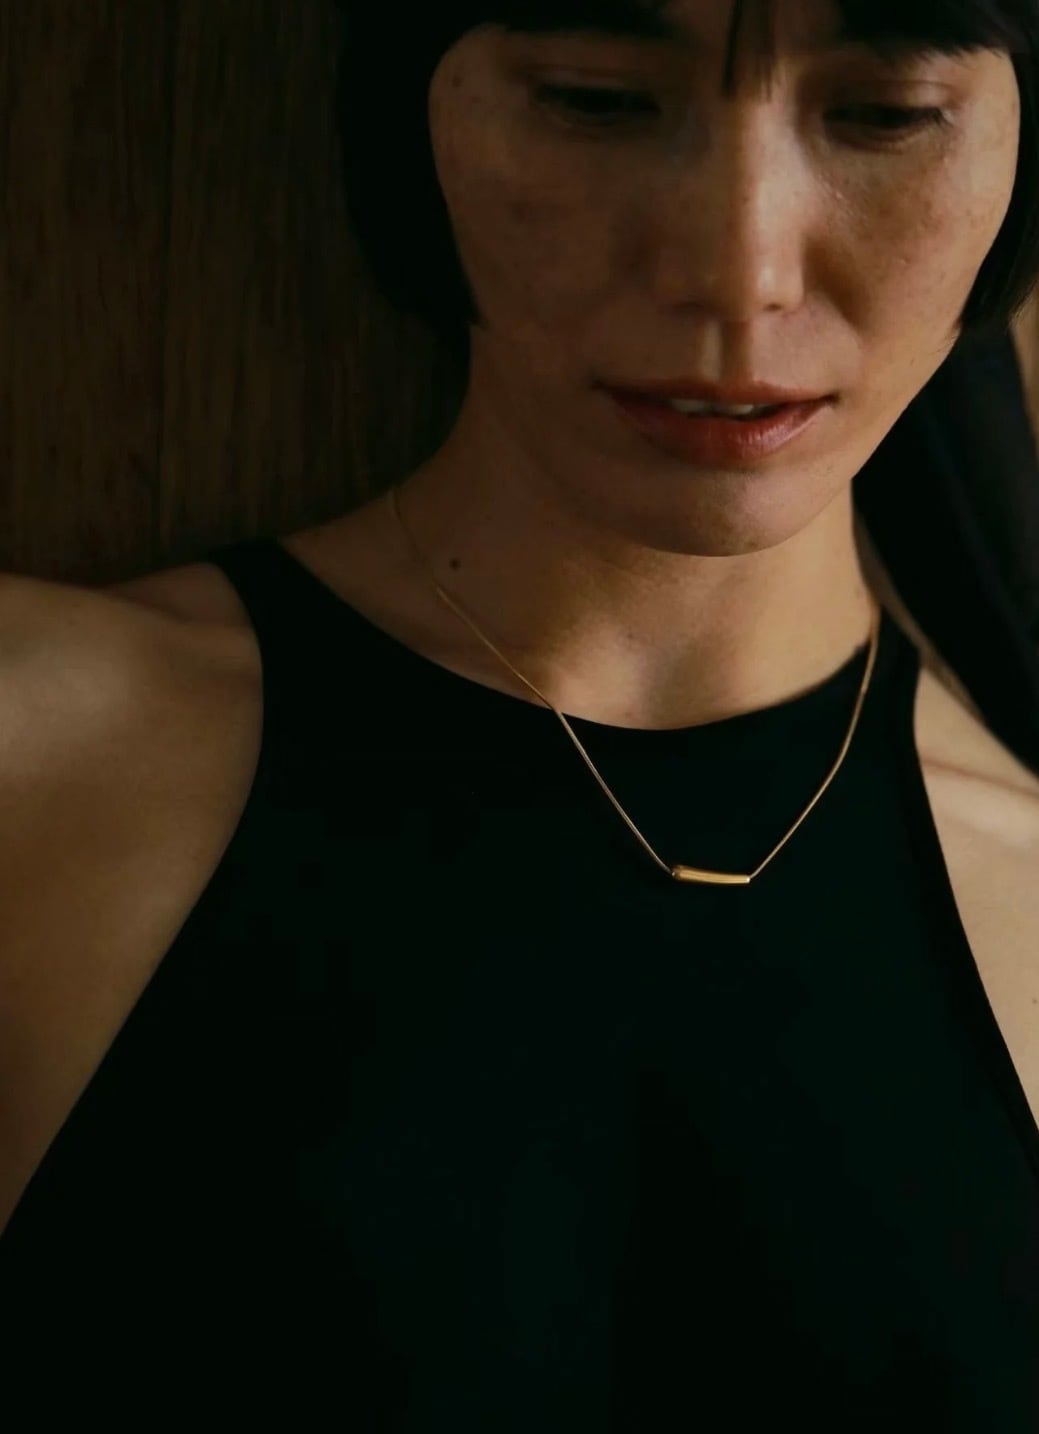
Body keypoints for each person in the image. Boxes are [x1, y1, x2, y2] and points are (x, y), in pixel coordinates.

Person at [1, 0, 1038, 1426]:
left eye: (885, 116)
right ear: (410, 112)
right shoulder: (38, 761)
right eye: (595, 98)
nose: (738, 277)